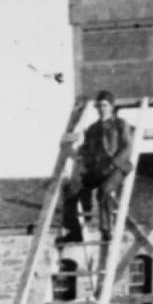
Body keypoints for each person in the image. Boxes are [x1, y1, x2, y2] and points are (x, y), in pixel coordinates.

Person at [58, 90, 134, 244]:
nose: (101, 109)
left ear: (111, 107)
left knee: (104, 191)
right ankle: (74, 231)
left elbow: (127, 147)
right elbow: (86, 150)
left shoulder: (120, 124)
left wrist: (114, 163)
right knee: (70, 189)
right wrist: (80, 158)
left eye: (104, 105)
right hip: (97, 169)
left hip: (117, 168)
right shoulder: (92, 128)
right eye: (98, 106)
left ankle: (106, 230)